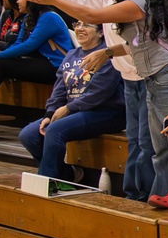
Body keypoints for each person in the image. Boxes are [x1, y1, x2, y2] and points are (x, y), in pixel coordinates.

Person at [22, 0, 168, 204]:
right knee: (161, 150)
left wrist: (53, 0)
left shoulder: (140, 2)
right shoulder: (148, 2)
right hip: (156, 79)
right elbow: (137, 44)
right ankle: (165, 197)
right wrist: (107, 52)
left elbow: (92, 16)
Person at [19, 21, 126, 179]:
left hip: (107, 112)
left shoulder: (106, 54)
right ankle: (66, 175)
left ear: (101, 32)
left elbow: (99, 93)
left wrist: (68, 108)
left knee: (55, 130)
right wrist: (49, 114)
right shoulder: (71, 55)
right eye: (77, 24)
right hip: (75, 111)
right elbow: (60, 89)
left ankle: (48, 183)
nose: (80, 29)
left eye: (87, 25)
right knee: (28, 135)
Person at [0, 0, 68, 88]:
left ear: (31, 0)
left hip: (56, 65)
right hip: (37, 61)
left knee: (1, 64)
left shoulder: (49, 17)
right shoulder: (28, 18)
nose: (17, 1)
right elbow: (18, 43)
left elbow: (28, 46)